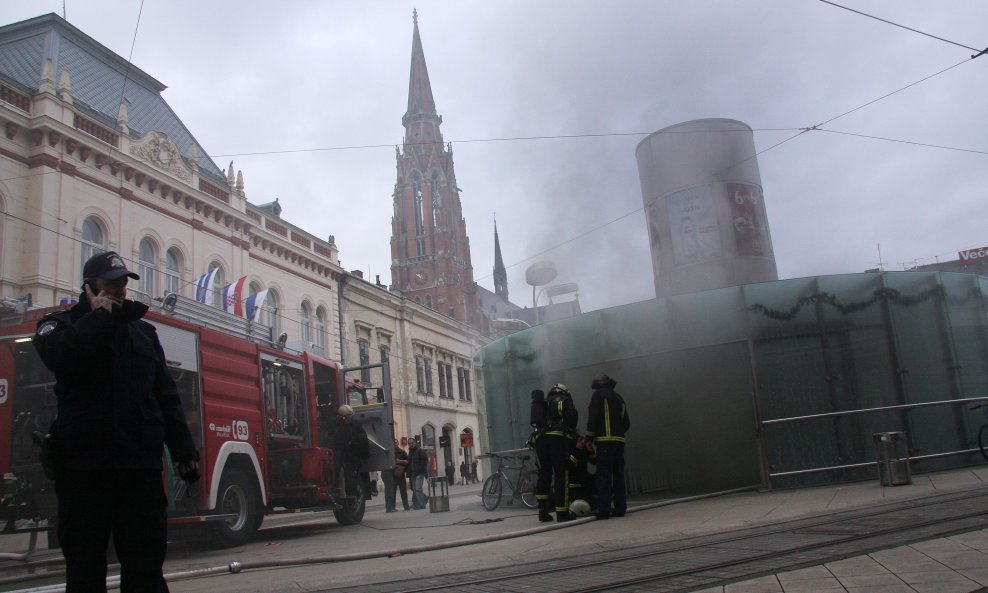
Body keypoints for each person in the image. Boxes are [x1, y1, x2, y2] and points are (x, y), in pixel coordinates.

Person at [32, 251, 199, 593]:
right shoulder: (59, 326)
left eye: (124, 283)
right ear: (90, 287)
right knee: (84, 568)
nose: (121, 290)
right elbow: (62, 358)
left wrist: (184, 451)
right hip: (85, 474)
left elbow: (165, 396)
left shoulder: (142, 333)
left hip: (139, 472)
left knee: (145, 569)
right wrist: (97, 319)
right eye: (112, 284)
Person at [585, 373, 631, 519]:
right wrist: (618, 432)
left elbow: (593, 417)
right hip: (619, 441)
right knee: (618, 475)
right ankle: (620, 508)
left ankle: (603, 510)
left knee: (603, 476)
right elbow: (626, 422)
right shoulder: (618, 397)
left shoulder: (598, 395)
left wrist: (589, 437)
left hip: (605, 441)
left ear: (598, 384)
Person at [543, 383, 578, 522]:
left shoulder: (546, 402)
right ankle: (562, 513)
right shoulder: (565, 399)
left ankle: (543, 510)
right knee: (561, 474)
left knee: (545, 474)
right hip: (559, 439)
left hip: (543, 440)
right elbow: (573, 417)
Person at [333, 404, 371, 500]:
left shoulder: (356, 425)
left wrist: (364, 456)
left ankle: (353, 494)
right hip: (342, 456)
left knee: (351, 475)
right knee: (342, 474)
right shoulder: (337, 427)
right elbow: (336, 442)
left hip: (354, 456)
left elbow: (363, 441)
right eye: (346, 417)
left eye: (349, 416)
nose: (348, 419)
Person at [529, 388, 553, 522]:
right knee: (554, 473)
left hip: (539, 442)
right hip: (549, 442)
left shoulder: (534, 407)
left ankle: (542, 509)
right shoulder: (545, 405)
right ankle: (559, 508)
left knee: (543, 475)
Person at [386, 439, 410, 512]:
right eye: (393, 443)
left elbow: (407, 462)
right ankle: (392, 507)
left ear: (398, 444)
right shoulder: (390, 452)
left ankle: (406, 506)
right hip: (392, 475)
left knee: (403, 492)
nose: (395, 444)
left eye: (396, 443)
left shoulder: (402, 452)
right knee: (393, 492)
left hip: (401, 475)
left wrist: (401, 464)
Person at [407, 438, 429, 509]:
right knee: (415, 489)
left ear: (415, 442)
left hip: (419, 473)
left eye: (412, 443)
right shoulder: (410, 452)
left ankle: (421, 505)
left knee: (418, 489)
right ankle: (424, 498)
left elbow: (425, 460)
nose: (411, 444)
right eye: (410, 443)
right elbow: (409, 463)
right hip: (413, 473)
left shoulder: (419, 450)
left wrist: (420, 468)